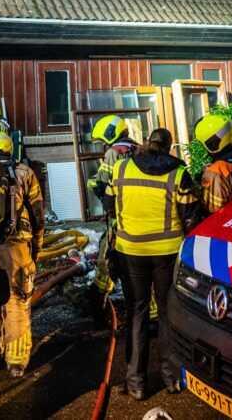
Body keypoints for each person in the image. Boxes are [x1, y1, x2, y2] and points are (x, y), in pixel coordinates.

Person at [104, 128, 199, 400]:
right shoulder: (178, 173)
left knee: (137, 313)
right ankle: (172, 378)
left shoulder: (121, 169)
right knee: (169, 313)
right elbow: (190, 216)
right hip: (167, 254)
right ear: (168, 148)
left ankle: (135, 383)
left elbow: (110, 205)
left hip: (130, 251)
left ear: (147, 143)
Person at [0, 131, 45, 379]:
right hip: (17, 250)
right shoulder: (24, 173)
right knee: (17, 302)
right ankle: (16, 361)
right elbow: (37, 212)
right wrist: (37, 245)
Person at [85, 115, 138, 321]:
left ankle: (97, 302)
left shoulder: (113, 153)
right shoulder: (138, 149)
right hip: (137, 215)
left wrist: (94, 185)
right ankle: (151, 315)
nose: (104, 144)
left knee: (107, 257)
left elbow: (104, 184)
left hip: (119, 215)